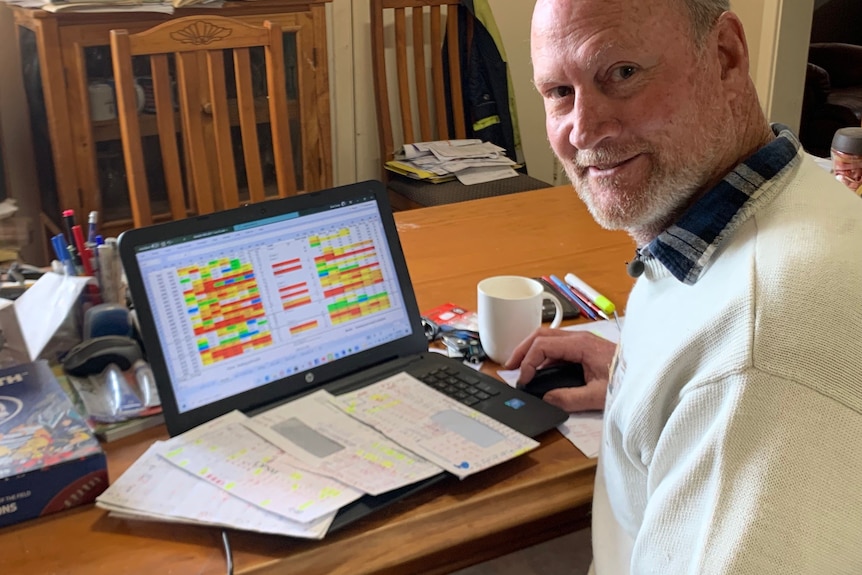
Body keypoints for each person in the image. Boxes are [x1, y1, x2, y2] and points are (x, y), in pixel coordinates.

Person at [508, 0, 862, 573]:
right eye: (558, 92)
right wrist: (651, 381)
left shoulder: (757, 363)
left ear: (725, 56)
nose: (583, 129)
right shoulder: (782, 203)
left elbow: (757, 365)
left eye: (621, 74)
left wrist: (718, 387)